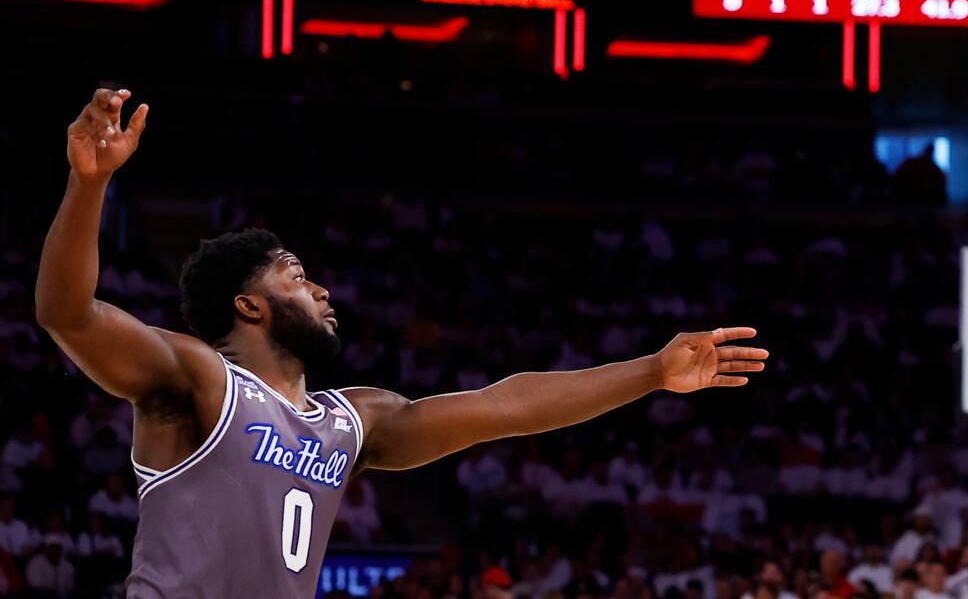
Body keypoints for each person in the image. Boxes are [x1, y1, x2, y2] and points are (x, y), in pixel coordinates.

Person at [35, 88, 770, 598]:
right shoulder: (201, 380)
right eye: (297, 276)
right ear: (248, 303)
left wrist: (649, 371)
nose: (322, 289)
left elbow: (503, 406)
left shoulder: (353, 419)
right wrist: (88, 182)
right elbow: (68, 312)